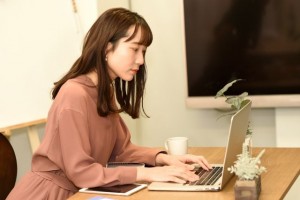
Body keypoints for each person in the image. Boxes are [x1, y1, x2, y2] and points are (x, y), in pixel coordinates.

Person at [7, 7, 211, 200]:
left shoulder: (103, 91)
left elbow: (120, 151)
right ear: (107, 47)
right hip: (49, 194)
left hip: (80, 192)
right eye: (135, 49)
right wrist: (147, 174)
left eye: (144, 51)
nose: (140, 60)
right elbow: (81, 172)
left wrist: (162, 158)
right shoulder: (74, 94)